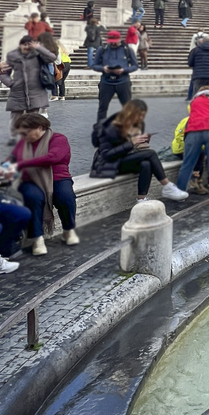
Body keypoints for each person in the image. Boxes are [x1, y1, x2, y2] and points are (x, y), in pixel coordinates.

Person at [91, 100, 188, 202]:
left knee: (146, 164)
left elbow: (129, 149)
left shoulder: (134, 126)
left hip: (120, 161)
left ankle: (141, 199)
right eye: (139, 115)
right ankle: (167, 186)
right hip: (105, 165)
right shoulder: (109, 128)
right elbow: (107, 155)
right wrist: (131, 143)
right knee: (151, 153)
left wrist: (141, 141)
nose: (141, 118)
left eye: (143, 115)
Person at [11, 113, 78, 255]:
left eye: (26, 131)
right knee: (33, 198)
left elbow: (52, 157)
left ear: (40, 128)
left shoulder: (58, 139)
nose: (23, 135)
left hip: (59, 176)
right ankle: (37, 238)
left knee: (66, 197)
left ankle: (69, 229)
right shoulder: (23, 143)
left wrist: (23, 163)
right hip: (30, 178)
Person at [176, 83, 209, 195]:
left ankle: (179, 192)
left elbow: (192, 116)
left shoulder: (194, 101)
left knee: (187, 164)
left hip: (193, 132)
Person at [0, 35, 56, 140]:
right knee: (16, 118)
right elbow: (3, 73)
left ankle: (28, 139)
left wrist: (39, 48)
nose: (26, 47)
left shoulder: (39, 55)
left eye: (29, 45)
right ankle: (14, 137)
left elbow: (52, 58)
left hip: (36, 92)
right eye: (24, 45)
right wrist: (10, 83)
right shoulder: (13, 56)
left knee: (32, 119)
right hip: (18, 92)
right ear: (20, 45)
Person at [92, 29, 139, 121]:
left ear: (120, 39)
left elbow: (135, 66)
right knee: (102, 108)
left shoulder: (127, 50)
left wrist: (123, 70)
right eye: (111, 42)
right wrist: (103, 69)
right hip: (106, 82)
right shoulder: (102, 49)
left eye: (115, 42)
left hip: (123, 81)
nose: (113, 44)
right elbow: (94, 65)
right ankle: (100, 129)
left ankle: (129, 128)